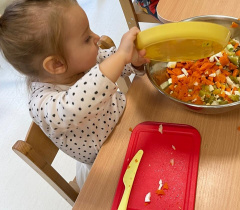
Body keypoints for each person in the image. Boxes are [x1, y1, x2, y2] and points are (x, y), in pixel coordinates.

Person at [0, 0, 149, 188]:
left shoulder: (85, 61)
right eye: (86, 38)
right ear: (56, 65)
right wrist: (120, 57)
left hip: (128, 126)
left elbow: (117, 63)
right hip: (102, 165)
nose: (96, 37)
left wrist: (133, 61)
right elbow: (75, 106)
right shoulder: (42, 104)